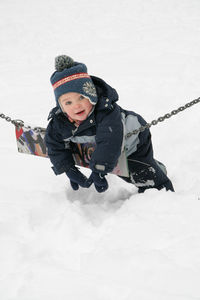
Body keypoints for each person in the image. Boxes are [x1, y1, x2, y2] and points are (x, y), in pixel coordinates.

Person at [45, 55, 174, 193]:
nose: (76, 106)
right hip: (101, 146)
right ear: (61, 107)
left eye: (82, 97)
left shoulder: (106, 112)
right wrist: (67, 168)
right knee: (114, 161)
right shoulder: (60, 121)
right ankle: (155, 165)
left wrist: (99, 169)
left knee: (138, 173)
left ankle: (159, 187)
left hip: (132, 141)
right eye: (68, 102)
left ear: (92, 95)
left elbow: (109, 141)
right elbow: (53, 144)